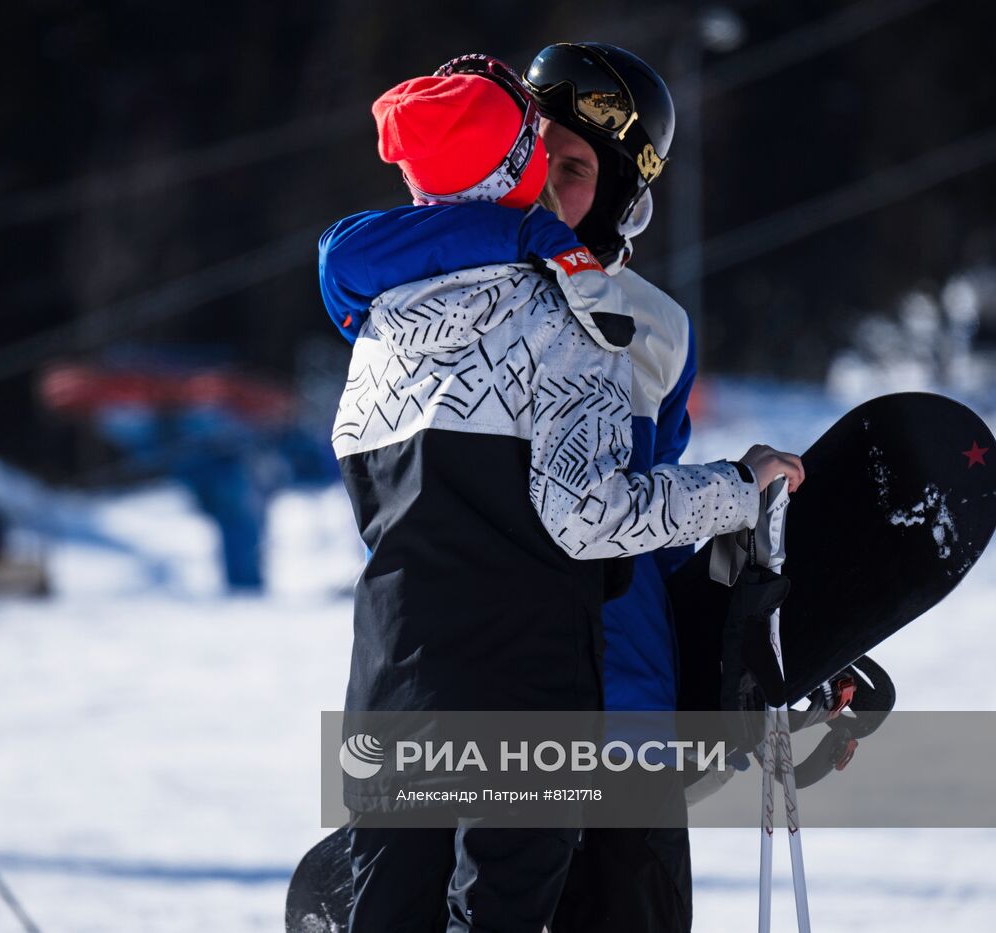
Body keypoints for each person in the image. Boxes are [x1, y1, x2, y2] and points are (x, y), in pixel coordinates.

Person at [325, 55, 804, 933]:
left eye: (575, 168)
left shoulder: (654, 327)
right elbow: (342, 255)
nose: (547, 182)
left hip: (617, 698)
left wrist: (757, 619)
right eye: (537, 157)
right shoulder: (441, 285)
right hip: (509, 681)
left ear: (624, 194)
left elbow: (648, 534)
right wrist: (736, 490)